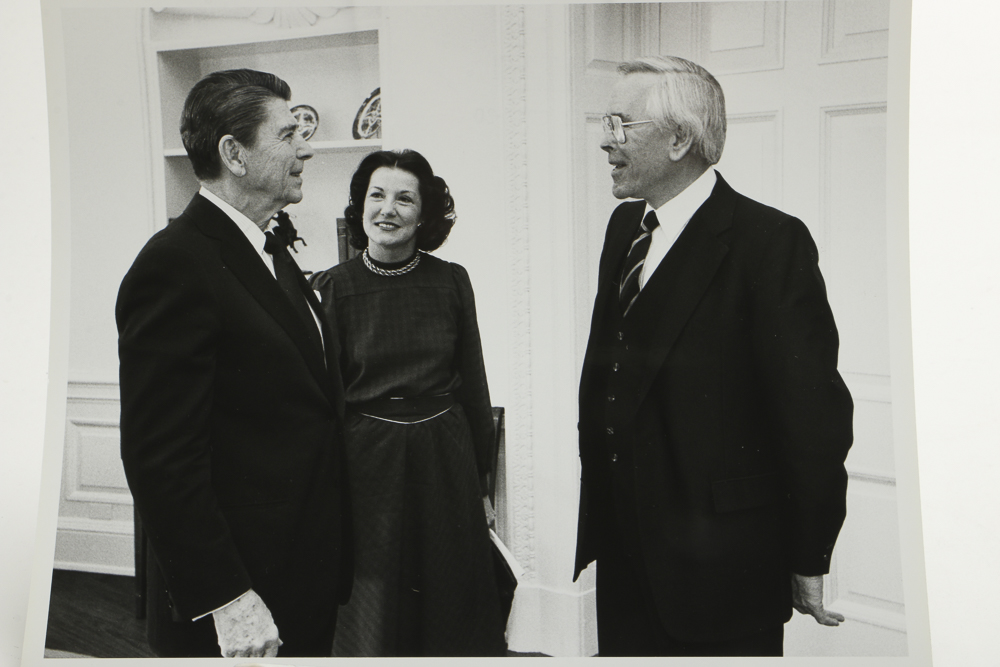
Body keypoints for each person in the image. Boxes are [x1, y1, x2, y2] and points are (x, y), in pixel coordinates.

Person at [573, 55, 855, 657]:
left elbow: (813, 417)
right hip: (623, 553)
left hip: (722, 569)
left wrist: (809, 551)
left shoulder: (770, 243)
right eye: (605, 122)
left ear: (679, 139)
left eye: (621, 124)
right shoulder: (625, 228)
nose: (605, 141)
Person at [116, 69, 352, 658]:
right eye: (288, 133)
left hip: (298, 569)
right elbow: (161, 458)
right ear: (234, 154)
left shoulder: (268, 250)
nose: (307, 146)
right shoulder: (174, 265)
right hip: (239, 597)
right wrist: (227, 597)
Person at [309, 149, 507, 656]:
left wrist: (482, 483)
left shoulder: (451, 280)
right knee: (374, 598)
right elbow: (324, 402)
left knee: (449, 590)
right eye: (377, 195)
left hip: (445, 454)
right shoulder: (331, 287)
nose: (388, 209)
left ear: (424, 214)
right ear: (360, 206)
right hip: (367, 462)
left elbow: (474, 383)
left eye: (404, 198)